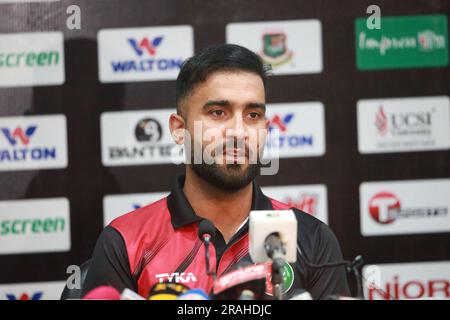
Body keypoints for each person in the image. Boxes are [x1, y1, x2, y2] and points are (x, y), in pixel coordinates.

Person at [81, 44, 350, 299]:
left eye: (253, 115)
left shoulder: (312, 240)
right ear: (178, 129)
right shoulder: (126, 240)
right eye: (219, 112)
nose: (238, 131)